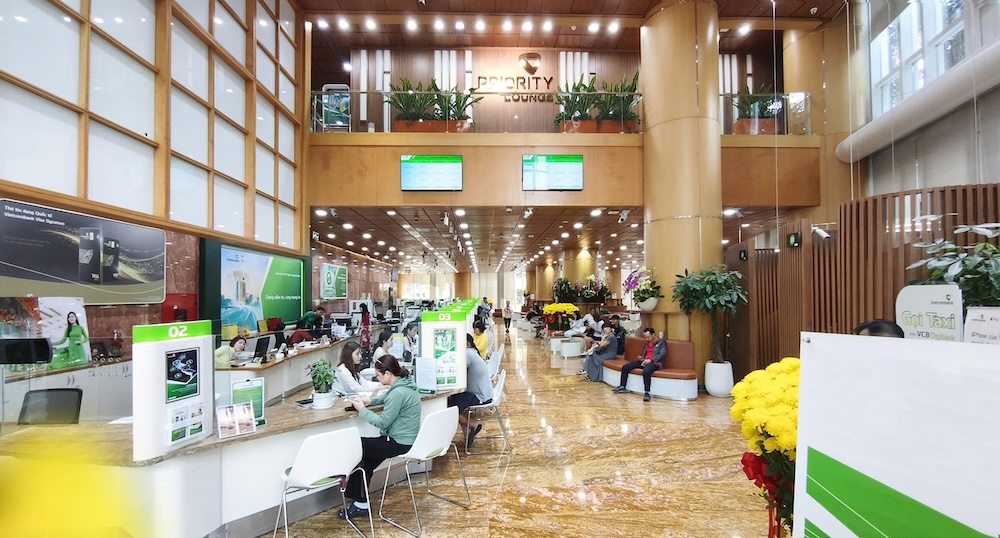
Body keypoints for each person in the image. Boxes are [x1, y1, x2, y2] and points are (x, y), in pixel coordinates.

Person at [340, 355, 420, 521]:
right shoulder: (405, 384)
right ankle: (361, 503)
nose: (377, 378)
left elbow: (383, 422)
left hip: (397, 442)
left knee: (356, 446)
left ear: (387, 374)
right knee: (365, 463)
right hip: (405, 440)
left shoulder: (398, 393)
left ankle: (359, 501)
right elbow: (386, 397)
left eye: (378, 375)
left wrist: (362, 410)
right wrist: (370, 401)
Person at [448, 334, 493, 448]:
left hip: (480, 396)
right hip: (483, 393)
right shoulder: (473, 353)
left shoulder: (468, 354)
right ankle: (468, 432)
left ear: (467, 344)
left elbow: (457, 369)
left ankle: (472, 425)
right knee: (454, 401)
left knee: (450, 408)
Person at [612, 327, 666, 402]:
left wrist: (650, 360)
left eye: (648, 337)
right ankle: (622, 386)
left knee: (646, 371)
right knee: (625, 367)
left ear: (653, 335)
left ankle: (647, 392)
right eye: (645, 337)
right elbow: (645, 354)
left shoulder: (661, 342)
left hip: (654, 362)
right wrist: (641, 357)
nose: (647, 339)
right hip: (644, 361)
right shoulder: (646, 343)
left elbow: (661, 354)